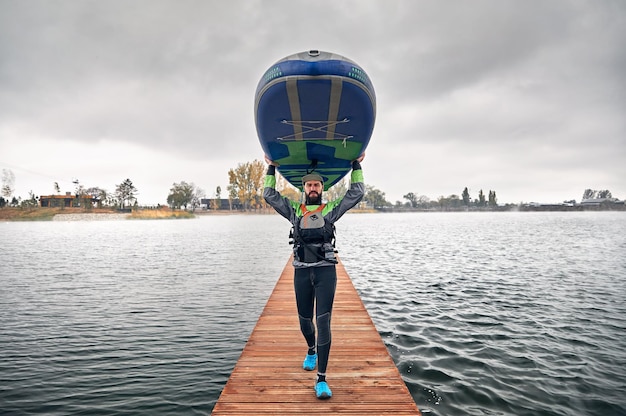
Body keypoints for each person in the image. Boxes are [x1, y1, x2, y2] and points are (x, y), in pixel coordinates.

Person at [263, 154, 365, 399]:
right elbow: (269, 195)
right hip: (301, 271)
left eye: (317, 185)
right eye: (308, 185)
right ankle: (311, 349)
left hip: (325, 271)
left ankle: (321, 379)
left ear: (322, 188)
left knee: (323, 323)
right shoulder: (294, 211)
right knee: (304, 321)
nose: (312, 188)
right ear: (303, 188)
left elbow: (357, 192)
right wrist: (271, 168)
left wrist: (356, 164)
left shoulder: (330, 210)